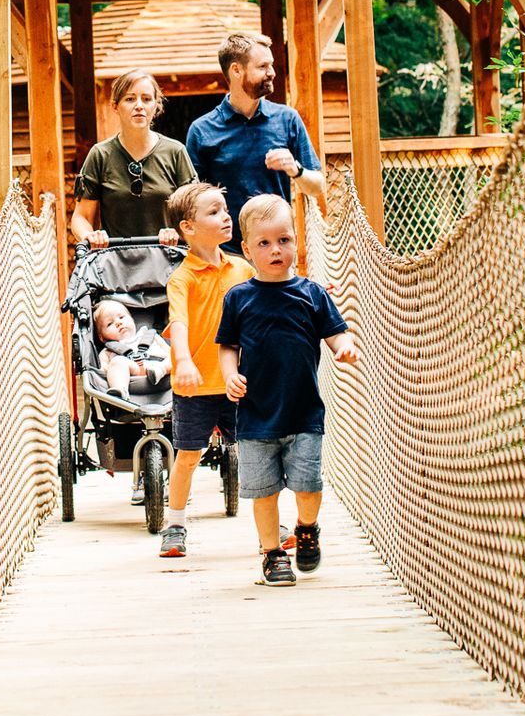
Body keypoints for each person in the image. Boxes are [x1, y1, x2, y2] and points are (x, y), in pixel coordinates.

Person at [217, 193, 358, 587]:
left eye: (284, 240)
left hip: (303, 411)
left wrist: (343, 346)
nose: (275, 250)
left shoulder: (312, 294)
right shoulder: (239, 298)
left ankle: (307, 528)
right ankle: (272, 553)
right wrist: (230, 375)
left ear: (296, 241)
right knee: (263, 493)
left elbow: (335, 332)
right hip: (257, 415)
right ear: (247, 249)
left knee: (308, 485)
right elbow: (227, 346)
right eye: (264, 243)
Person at [156, 181, 251, 559]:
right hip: (194, 386)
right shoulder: (183, 278)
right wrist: (184, 361)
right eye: (214, 212)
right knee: (188, 456)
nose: (226, 216)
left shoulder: (242, 269)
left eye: (225, 210)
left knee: (253, 451)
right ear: (188, 228)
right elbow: (177, 323)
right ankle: (175, 524)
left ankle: (271, 520)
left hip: (238, 383)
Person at [184, 33, 327, 254]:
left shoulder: (287, 119)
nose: (272, 73)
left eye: (271, 65)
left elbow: (317, 186)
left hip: (276, 250)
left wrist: (295, 169)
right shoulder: (201, 130)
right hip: (226, 253)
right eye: (262, 66)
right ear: (236, 70)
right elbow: (191, 199)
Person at [71, 70, 197, 248]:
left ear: (155, 106)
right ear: (115, 106)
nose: (139, 105)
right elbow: (81, 216)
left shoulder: (175, 152)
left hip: (170, 260)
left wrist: (178, 231)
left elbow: (194, 212)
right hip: (116, 263)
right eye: (130, 99)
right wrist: (90, 236)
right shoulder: (100, 154)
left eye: (146, 99)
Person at [92, 300, 169, 399]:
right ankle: (120, 390)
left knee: (176, 355)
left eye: (121, 317)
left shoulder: (150, 336)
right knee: (117, 362)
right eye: (109, 324)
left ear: (132, 320)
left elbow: (170, 352)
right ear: (101, 337)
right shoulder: (108, 351)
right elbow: (102, 373)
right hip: (134, 370)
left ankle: (160, 370)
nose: (118, 323)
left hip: (160, 367)